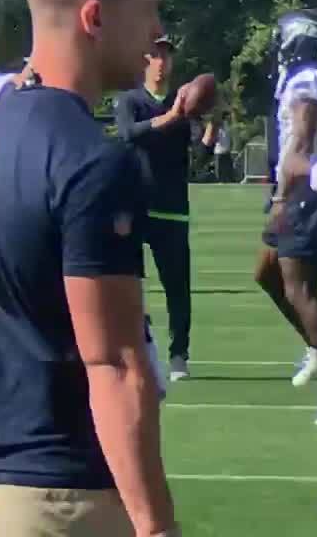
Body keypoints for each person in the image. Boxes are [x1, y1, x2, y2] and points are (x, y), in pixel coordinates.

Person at [0, 0, 177, 537]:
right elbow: (115, 365)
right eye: (146, 12)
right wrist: (156, 526)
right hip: (56, 498)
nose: (154, 36)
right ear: (94, 17)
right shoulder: (91, 159)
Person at [114, 35, 218, 381]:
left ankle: (179, 355)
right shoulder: (130, 100)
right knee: (127, 286)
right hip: (135, 207)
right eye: (155, 55)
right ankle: (135, 347)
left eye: (167, 56)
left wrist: (213, 125)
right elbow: (130, 134)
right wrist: (172, 116)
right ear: (145, 60)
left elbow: (198, 159)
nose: (162, 62)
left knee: (178, 288)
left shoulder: (183, 104)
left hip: (172, 209)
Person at [251, 9, 317, 422]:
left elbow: (301, 148)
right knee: (267, 274)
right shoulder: (301, 80)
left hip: (307, 193)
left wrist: (283, 196)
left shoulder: (307, 82)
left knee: (299, 288)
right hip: (296, 190)